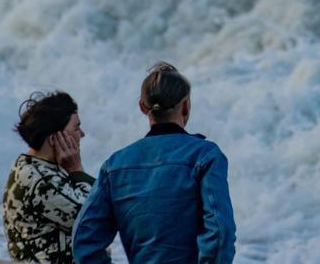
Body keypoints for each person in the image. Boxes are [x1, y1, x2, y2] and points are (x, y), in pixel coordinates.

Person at [72, 63, 236, 264]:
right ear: (185, 105)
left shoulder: (115, 165)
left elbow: (84, 240)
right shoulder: (205, 155)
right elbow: (220, 231)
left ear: (142, 106)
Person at [3, 91, 95, 263]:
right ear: (54, 139)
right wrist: (76, 170)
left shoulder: (31, 166)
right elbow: (94, 219)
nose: (82, 134)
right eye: (76, 128)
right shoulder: (39, 180)